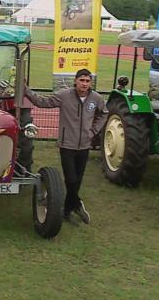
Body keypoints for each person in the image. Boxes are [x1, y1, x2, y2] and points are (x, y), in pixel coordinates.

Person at [24, 68, 107, 225]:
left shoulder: (96, 98)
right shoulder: (64, 96)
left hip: (84, 145)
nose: (84, 84)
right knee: (71, 179)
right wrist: (25, 90)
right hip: (67, 144)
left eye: (87, 81)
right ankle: (77, 204)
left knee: (78, 180)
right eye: (81, 80)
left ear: (91, 83)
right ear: (75, 81)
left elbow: (104, 113)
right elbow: (41, 102)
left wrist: (94, 131)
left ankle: (68, 210)